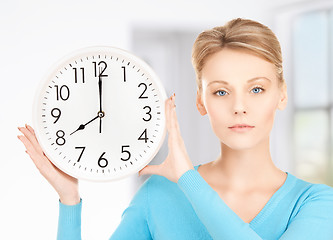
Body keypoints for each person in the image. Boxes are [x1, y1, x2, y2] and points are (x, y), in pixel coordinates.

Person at [18, 18, 333, 239]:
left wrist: (189, 181)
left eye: (256, 89)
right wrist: (69, 200)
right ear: (201, 101)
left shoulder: (317, 204)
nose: (239, 106)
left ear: (282, 94)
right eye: (221, 91)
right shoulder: (159, 195)